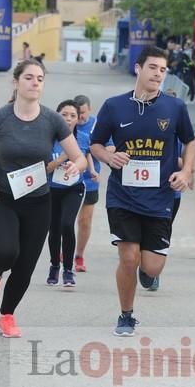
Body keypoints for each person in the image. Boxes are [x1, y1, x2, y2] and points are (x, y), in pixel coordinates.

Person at [0, 59, 87, 338]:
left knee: (25, 265)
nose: (35, 83)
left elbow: (79, 155)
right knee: (6, 252)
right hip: (2, 198)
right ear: (16, 82)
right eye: (29, 78)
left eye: (40, 79)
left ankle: (6, 315)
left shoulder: (53, 120)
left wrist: (76, 165)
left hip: (38, 202)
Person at [90, 45, 195, 336]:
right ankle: (126, 315)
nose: (158, 74)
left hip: (160, 197)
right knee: (128, 257)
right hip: (122, 195)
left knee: (152, 267)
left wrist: (185, 171)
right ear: (138, 68)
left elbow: (190, 142)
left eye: (163, 70)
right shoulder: (114, 106)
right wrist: (109, 157)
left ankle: (145, 272)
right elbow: (95, 143)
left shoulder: (175, 107)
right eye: (153, 68)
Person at [45, 100, 91, 287]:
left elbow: (87, 159)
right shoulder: (47, 139)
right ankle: (55, 265)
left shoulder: (83, 138)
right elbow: (46, 169)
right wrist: (64, 158)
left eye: (73, 115)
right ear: (57, 116)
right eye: (64, 114)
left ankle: (68, 270)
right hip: (51, 188)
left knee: (66, 224)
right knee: (54, 228)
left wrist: (90, 169)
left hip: (74, 188)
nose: (69, 119)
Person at [73, 94, 113, 272]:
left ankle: (79, 255)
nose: (80, 117)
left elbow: (111, 147)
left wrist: (96, 150)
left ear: (89, 109)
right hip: (67, 181)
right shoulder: (68, 123)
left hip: (90, 180)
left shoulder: (97, 124)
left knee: (84, 220)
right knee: (64, 220)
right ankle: (63, 249)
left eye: (82, 113)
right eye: (77, 113)